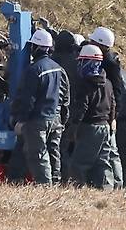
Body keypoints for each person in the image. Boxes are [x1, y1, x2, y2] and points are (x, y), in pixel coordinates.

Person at [11, 28, 69, 185]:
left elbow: (27, 98)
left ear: (35, 47)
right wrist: (63, 118)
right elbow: (65, 98)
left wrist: (21, 119)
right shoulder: (59, 69)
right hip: (56, 119)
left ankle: (45, 186)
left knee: (39, 154)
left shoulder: (34, 70)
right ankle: (56, 182)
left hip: (38, 119)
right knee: (53, 151)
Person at [69, 44, 115, 189]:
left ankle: (79, 189)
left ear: (88, 62)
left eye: (82, 61)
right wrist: (111, 120)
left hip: (90, 127)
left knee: (79, 163)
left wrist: (74, 127)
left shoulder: (85, 84)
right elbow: (113, 104)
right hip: (105, 127)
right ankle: (106, 189)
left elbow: (82, 107)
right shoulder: (107, 83)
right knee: (102, 161)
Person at [88, 25, 124, 188]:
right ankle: (115, 182)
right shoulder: (109, 59)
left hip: (109, 112)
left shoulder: (108, 63)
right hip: (109, 110)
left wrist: (113, 116)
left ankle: (116, 182)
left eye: (93, 41)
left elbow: (117, 92)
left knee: (111, 150)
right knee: (109, 151)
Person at [52, 30, 79, 183]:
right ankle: (67, 179)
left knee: (58, 148)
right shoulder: (76, 62)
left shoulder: (53, 62)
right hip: (72, 111)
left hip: (56, 110)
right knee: (66, 148)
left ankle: (62, 179)